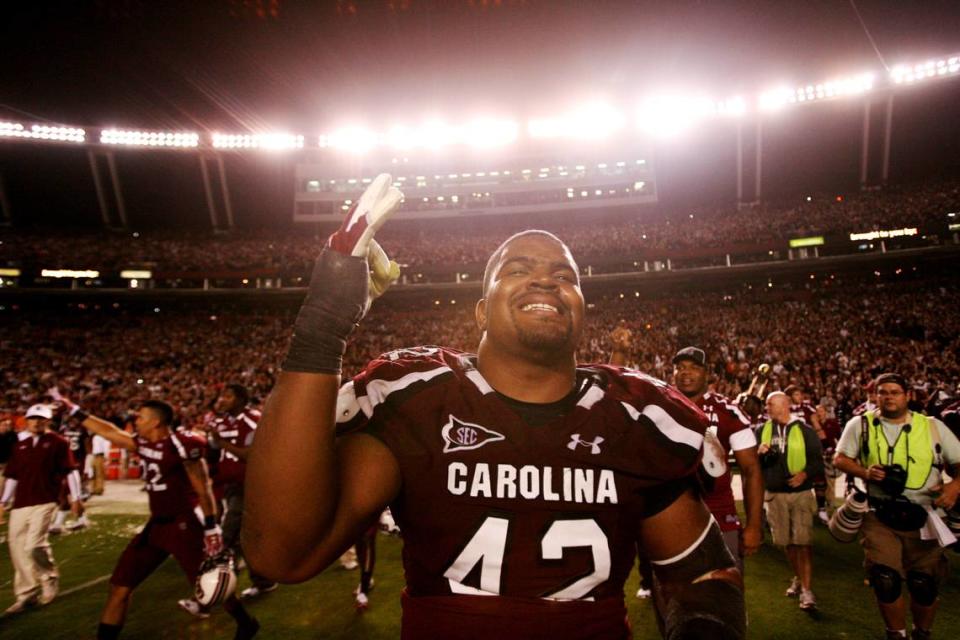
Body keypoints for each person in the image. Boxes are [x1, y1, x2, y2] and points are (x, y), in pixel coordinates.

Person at [243, 175, 746, 639]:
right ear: (481, 310)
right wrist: (323, 327)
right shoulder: (416, 398)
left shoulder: (635, 415)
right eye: (517, 270)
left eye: (565, 277)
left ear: (582, 311)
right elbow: (282, 554)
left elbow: (700, 573)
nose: (547, 282)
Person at [57, 396, 259, 640]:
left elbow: (203, 487)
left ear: (156, 422)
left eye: (141, 417)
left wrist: (210, 528)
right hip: (156, 527)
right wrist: (74, 410)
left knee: (212, 584)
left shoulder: (181, 444)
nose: (136, 421)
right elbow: (108, 431)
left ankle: (245, 622)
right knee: (120, 587)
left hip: (183, 526)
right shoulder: (143, 443)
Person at [833, 373, 960, 640]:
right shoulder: (861, 424)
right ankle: (896, 634)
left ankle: (922, 633)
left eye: (894, 392)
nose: (888, 397)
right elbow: (840, 459)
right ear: (875, 396)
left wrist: (954, 487)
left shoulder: (932, 426)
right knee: (884, 579)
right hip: (879, 513)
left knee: (923, 584)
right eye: (883, 392)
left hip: (925, 514)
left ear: (907, 395)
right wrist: (865, 472)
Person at [671, 347, 764, 569]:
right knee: (676, 595)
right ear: (673, 373)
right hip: (671, 515)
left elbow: (751, 471)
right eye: (680, 367)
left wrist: (754, 526)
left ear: (707, 374)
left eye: (694, 367)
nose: (686, 373)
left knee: (727, 590)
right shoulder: (660, 406)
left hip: (719, 512)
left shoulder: (728, 412)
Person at [0, 404, 81, 613]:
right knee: (17, 547)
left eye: (41, 418)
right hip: (20, 503)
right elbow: (12, 477)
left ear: (48, 421)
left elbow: (71, 471)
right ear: (26, 420)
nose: (36, 422)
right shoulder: (20, 446)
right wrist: (2, 502)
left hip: (46, 500)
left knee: (34, 545)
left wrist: (76, 498)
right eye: (33, 418)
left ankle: (49, 577)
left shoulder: (59, 443)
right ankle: (27, 594)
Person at [202, 384, 277, 600]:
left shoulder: (252, 418)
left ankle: (217, 586)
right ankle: (263, 581)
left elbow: (251, 455)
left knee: (228, 532)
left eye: (227, 396)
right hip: (229, 485)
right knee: (244, 539)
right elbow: (215, 451)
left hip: (250, 484)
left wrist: (221, 442)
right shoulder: (220, 422)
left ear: (241, 399)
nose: (222, 399)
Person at [757, 391, 823, 611]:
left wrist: (804, 474)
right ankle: (798, 577)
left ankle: (806, 589)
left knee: (802, 542)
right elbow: (750, 463)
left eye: (770, 405)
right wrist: (758, 454)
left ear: (784, 405)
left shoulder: (805, 431)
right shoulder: (761, 431)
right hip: (775, 494)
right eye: (766, 405)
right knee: (786, 542)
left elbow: (817, 461)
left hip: (801, 493)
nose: (767, 409)